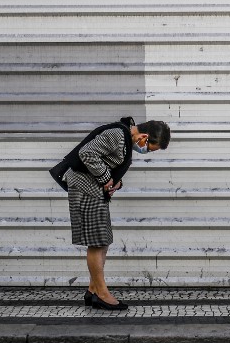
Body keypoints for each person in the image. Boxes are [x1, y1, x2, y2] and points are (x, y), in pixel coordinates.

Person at [63, 117, 171, 310]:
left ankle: (93, 291)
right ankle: (102, 294)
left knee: (102, 241)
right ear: (144, 137)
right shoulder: (118, 135)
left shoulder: (125, 139)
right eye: (149, 148)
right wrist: (106, 178)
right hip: (84, 189)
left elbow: (107, 162)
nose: (145, 151)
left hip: (94, 190)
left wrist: (116, 183)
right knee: (97, 243)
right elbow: (87, 153)